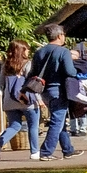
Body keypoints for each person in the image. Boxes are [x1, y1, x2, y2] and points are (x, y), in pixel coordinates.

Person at [32, 25, 77, 160]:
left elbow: (33, 72)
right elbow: (70, 72)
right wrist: (76, 70)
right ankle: (46, 152)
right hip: (59, 90)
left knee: (60, 121)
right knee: (57, 121)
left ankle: (68, 149)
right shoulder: (63, 52)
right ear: (59, 36)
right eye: (63, 34)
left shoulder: (39, 52)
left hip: (45, 91)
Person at [0, 42, 39, 160]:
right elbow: (33, 83)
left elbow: (1, 83)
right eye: (26, 49)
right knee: (33, 126)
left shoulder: (6, 65)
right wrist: (39, 99)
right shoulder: (28, 64)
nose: (28, 51)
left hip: (10, 100)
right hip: (27, 100)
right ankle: (35, 152)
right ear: (21, 51)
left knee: (15, 125)